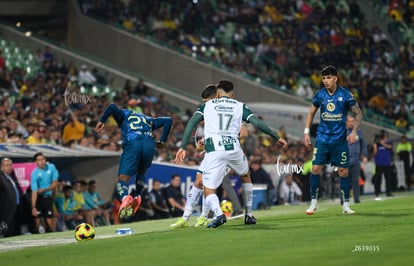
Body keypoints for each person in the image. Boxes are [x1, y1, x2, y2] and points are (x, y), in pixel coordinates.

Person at [175, 80, 287, 228]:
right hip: (233, 149)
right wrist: (276, 137)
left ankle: (219, 215)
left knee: (208, 189)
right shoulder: (239, 106)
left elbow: (191, 123)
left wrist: (183, 146)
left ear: (217, 94)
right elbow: (258, 124)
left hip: (215, 151)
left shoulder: (207, 106)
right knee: (245, 175)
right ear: (232, 94)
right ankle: (249, 215)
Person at [95, 100, 172, 220]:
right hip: (149, 144)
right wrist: (162, 140)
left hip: (133, 143)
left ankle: (125, 198)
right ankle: (138, 196)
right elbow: (168, 120)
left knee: (122, 179)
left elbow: (112, 106)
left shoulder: (123, 114)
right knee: (141, 173)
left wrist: (101, 121)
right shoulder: (147, 118)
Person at [303, 65, 363, 215]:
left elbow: (358, 113)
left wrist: (354, 132)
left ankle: (346, 205)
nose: (325, 81)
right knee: (315, 168)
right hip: (322, 138)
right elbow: (310, 113)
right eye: (323, 78)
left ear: (335, 78)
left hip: (339, 140)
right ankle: (313, 202)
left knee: (343, 171)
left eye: (328, 78)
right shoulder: (319, 95)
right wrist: (306, 132)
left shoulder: (345, 94)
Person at [31, 152, 59, 232]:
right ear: (35, 162)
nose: (42, 161)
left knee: (49, 219)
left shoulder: (51, 167)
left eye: (43, 159)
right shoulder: (34, 173)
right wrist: (33, 207)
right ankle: (38, 232)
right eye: (39, 160)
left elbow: (55, 183)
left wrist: (45, 189)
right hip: (38, 198)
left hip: (48, 197)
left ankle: (51, 232)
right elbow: (34, 191)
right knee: (37, 219)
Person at [346, 115, 368, 204]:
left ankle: (357, 199)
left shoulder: (359, 133)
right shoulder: (342, 132)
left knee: (356, 181)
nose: (351, 123)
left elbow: (364, 145)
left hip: (356, 161)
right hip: (344, 161)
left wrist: (365, 155)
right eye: (349, 121)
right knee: (344, 181)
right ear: (346, 122)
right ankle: (343, 200)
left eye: (353, 121)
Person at [0, 158, 24, 237]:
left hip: (14, 208)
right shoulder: (1, 177)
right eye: (7, 165)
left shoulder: (11, 176)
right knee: (8, 231)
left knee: (14, 230)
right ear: (1, 167)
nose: (10, 167)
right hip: (5, 210)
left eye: (10, 165)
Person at [372, 130, 394, 199]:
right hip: (379, 163)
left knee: (388, 178)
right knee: (378, 179)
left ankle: (388, 192)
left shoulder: (389, 142)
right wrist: (375, 146)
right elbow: (374, 153)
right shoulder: (377, 143)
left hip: (387, 163)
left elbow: (390, 147)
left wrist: (383, 143)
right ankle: (377, 193)